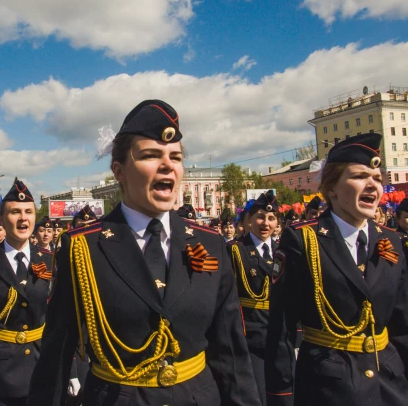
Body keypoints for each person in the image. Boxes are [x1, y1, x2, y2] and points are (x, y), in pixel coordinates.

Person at [28, 100, 261, 406]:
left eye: (175, 157)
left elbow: (230, 351)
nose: (168, 165)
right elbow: (57, 353)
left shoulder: (210, 241)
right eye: (151, 155)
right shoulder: (83, 247)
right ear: (119, 171)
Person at [265, 133, 408, 406]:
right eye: (359, 177)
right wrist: (281, 397)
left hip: (390, 386)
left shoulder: (390, 240)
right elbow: (282, 328)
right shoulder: (303, 239)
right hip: (328, 388)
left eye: (377, 179)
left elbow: (402, 324)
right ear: (331, 188)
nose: (372, 186)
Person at [0, 179, 54, 406]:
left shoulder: (51, 260)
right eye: (15, 212)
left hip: (42, 365)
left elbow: (61, 320)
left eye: (28, 212)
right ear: (2, 220)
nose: (23, 218)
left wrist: (70, 368)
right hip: (0, 372)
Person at [227, 191, 280, 405]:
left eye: (271, 218)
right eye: (260, 217)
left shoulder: (283, 250)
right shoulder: (235, 251)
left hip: (279, 336)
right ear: (248, 220)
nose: (265, 223)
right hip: (251, 336)